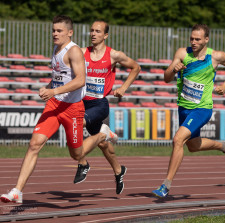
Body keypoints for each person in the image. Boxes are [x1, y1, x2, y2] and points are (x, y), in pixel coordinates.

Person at [0, 15, 115, 204]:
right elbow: (60, 76)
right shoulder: (56, 49)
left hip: (72, 109)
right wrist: (48, 87)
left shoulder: (74, 51)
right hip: (54, 105)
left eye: (59, 31)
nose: (55, 34)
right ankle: (17, 191)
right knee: (34, 144)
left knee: (76, 154)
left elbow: (80, 80)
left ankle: (102, 134)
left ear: (70, 33)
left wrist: (53, 90)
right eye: (53, 30)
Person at [151, 24, 225, 198]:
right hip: (183, 108)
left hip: (202, 108)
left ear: (206, 39)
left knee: (178, 140)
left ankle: (165, 185)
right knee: (192, 145)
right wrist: (173, 69)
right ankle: (224, 146)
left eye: (198, 39)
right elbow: (166, 78)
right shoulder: (182, 54)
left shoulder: (216, 56)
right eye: (192, 38)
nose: (194, 42)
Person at [73, 20, 141, 194]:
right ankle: (119, 171)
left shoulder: (114, 55)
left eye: (97, 31)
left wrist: (123, 88)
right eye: (91, 30)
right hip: (82, 102)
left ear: (105, 35)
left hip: (99, 104)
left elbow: (135, 67)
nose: (93, 34)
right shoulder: (81, 52)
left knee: (77, 125)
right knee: (103, 145)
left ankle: (83, 163)